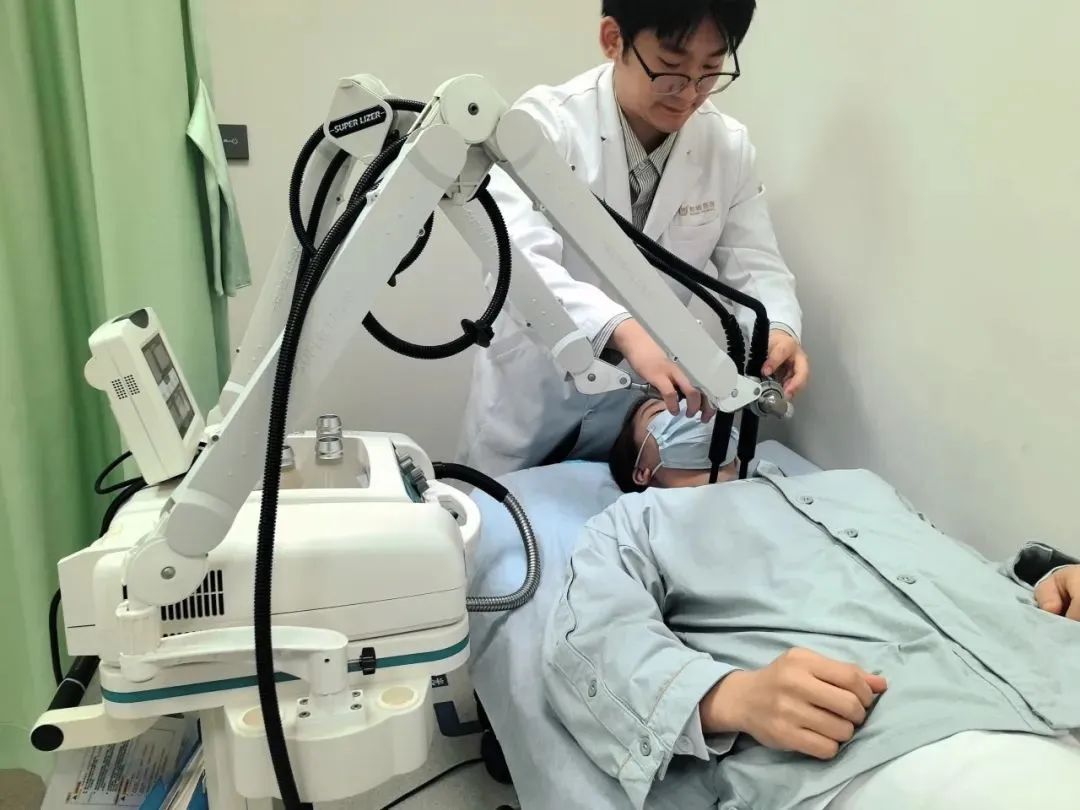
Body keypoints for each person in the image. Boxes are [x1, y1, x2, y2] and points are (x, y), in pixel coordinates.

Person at [541, 397, 1080, 809]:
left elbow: (941, 570)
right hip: (908, 739)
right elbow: (594, 633)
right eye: (663, 412)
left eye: (698, 399)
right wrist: (728, 698)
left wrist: (1046, 581)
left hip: (1054, 669)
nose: (692, 411)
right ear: (641, 468)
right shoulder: (635, 522)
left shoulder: (856, 486)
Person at [458, 0, 807, 477]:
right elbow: (517, 264)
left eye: (710, 71)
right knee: (511, 513)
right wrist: (624, 331)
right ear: (613, 39)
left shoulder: (727, 147)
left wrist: (779, 330)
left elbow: (756, 266)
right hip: (532, 402)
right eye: (670, 67)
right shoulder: (543, 127)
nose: (689, 93)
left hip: (633, 416)